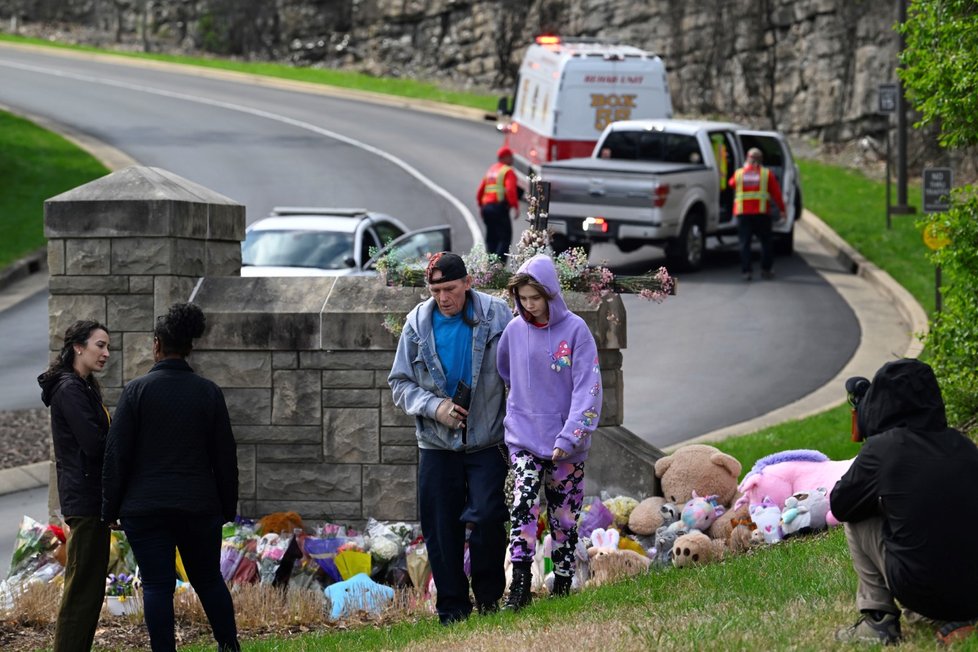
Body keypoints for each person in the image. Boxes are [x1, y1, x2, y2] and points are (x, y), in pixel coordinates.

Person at [102, 303, 240, 652]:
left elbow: (116, 455)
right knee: (208, 579)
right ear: (190, 347)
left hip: (145, 506)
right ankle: (229, 645)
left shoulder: (136, 392)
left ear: (156, 345)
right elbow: (225, 458)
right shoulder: (208, 392)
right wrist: (226, 506)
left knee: (157, 585)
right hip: (197, 505)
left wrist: (110, 508)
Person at [387, 252, 512, 624]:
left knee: (489, 519)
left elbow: (519, 369)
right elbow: (400, 383)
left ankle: (489, 601)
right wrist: (434, 407)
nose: (444, 298)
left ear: (468, 283)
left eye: (451, 289)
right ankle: (452, 609)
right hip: (437, 444)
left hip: (488, 440)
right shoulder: (416, 324)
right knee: (441, 531)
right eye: (436, 290)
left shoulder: (498, 315)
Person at [831, 359, 978, 645]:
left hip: (922, 590)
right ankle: (954, 614)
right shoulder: (964, 445)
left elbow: (840, 504)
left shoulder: (882, 449)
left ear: (881, 402)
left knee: (857, 517)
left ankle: (878, 621)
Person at [496, 254, 601, 610]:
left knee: (565, 517)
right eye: (523, 299)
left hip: (566, 446)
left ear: (551, 294)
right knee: (522, 503)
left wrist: (570, 436)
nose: (529, 306)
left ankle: (562, 585)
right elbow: (505, 373)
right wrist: (522, 412)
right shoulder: (513, 331)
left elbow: (588, 389)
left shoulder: (576, 331)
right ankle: (520, 587)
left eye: (535, 298)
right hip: (523, 439)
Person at [38, 320, 112, 652]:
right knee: (83, 588)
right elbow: (95, 444)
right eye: (100, 345)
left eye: (107, 346)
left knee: (90, 586)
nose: (106, 353)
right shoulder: (70, 389)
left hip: (91, 498)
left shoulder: (81, 386)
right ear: (78, 347)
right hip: (85, 500)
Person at [728, 147, 786, 281]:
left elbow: (731, 184)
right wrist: (782, 209)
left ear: (748, 158)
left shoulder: (739, 173)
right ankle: (766, 270)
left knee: (745, 243)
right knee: (766, 243)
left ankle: (746, 271)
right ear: (761, 159)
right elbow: (776, 194)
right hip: (762, 213)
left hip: (743, 213)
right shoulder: (767, 174)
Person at [476, 145, 520, 258]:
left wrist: (481, 207)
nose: (512, 159)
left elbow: (480, 191)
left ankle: (491, 265)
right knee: (504, 238)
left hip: (487, 208)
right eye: (510, 157)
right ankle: (498, 268)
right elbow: (510, 190)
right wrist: (515, 206)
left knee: (491, 237)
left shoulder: (491, 170)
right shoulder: (507, 171)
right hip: (499, 208)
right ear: (504, 157)